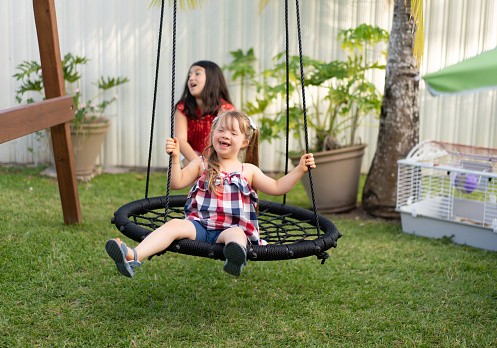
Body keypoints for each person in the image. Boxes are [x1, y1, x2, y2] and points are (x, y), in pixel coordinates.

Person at [106, 111, 316, 277]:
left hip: (232, 229)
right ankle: (133, 256)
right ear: (213, 133)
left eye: (233, 133)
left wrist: (299, 170)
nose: (225, 135)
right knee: (174, 225)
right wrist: (176, 157)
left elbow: (278, 187)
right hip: (200, 225)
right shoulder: (201, 163)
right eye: (221, 130)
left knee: (236, 236)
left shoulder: (248, 170)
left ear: (244, 142)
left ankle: (235, 257)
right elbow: (176, 183)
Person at [175, 60, 235, 165]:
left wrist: (211, 163)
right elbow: (181, 140)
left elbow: (227, 140)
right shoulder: (183, 108)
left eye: (197, 73)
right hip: (192, 155)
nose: (191, 78)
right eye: (190, 75)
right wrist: (200, 163)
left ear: (212, 80)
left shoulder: (225, 109)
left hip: (218, 154)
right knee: (185, 166)